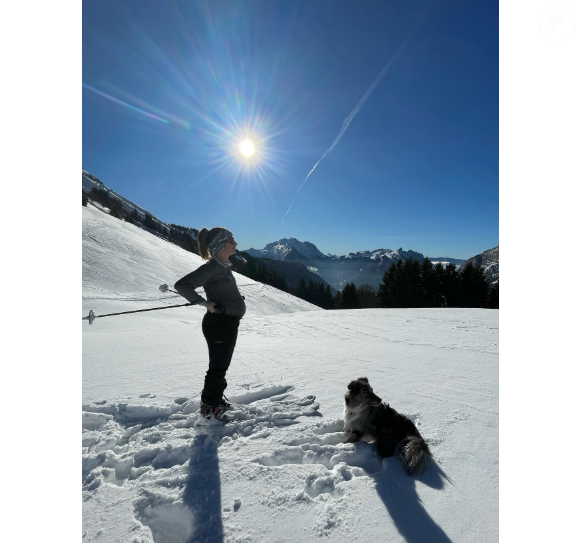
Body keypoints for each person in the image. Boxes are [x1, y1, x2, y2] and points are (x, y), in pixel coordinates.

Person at [174, 227, 246, 420]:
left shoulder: (222, 265)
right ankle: (209, 407)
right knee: (217, 367)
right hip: (219, 324)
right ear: (221, 245)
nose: (235, 243)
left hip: (226, 323)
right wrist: (204, 303)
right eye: (231, 240)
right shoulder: (212, 267)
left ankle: (216, 400)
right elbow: (181, 285)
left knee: (222, 365)